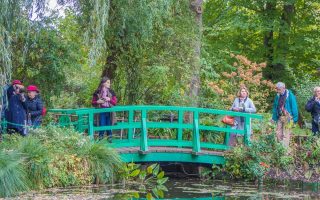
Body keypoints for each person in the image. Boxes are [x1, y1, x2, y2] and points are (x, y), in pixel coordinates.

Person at [271, 82, 298, 148]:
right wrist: (273, 118)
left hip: (288, 117)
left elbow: (294, 107)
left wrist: (294, 119)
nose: (277, 91)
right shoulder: (277, 96)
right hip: (280, 117)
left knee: (286, 134)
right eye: (277, 89)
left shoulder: (290, 95)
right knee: (278, 133)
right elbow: (275, 107)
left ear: (283, 88)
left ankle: (285, 151)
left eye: (279, 89)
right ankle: (280, 148)